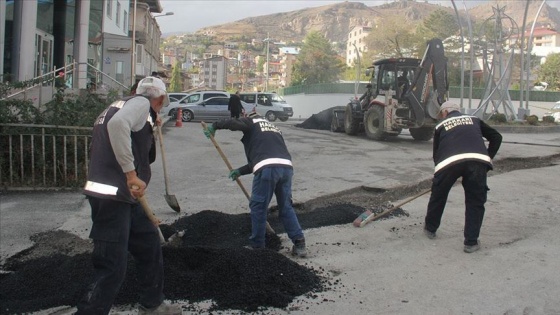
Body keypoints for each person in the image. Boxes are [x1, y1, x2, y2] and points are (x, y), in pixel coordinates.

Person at [79, 76, 181, 315]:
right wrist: (131, 174)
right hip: (112, 198)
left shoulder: (119, 105)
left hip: (126, 198)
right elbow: (117, 127)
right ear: (161, 98)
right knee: (112, 265)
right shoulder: (140, 104)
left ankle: (152, 304)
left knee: (148, 244)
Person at [203, 109, 307, 257]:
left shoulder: (252, 121)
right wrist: (240, 171)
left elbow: (234, 123)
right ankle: (300, 243)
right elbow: (264, 157)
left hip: (268, 169)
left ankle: (258, 248)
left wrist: (215, 125)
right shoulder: (274, 129)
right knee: (286, 207)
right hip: (286, 168)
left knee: (258, 207)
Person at [423, 101, 502, 253]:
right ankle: (471, 242)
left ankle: (430, 228)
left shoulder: (441, 126)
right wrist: (487, 158)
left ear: (445, 113)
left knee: (438, 195)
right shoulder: (474, 120)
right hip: (477, 161)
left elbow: (437, 153)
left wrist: (439, 180)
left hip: (449, 162)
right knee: (475, 201)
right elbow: (496, 137)